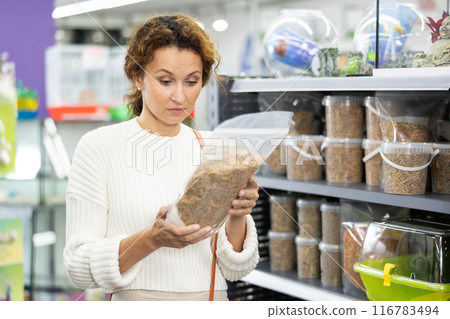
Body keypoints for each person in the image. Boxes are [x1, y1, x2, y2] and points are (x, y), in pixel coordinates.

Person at [63, 14, 260, 301]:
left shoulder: (216, 147)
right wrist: (151, 239)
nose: (179, 96)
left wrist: (238, 215)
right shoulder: (99, 147)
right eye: (165, 81)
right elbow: (78, 267)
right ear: (137, 76)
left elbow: (235, 269)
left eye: (191, 82)